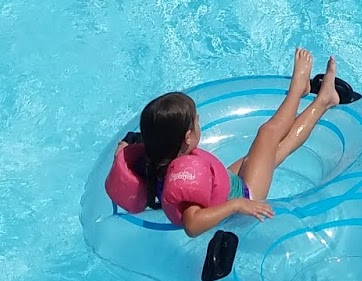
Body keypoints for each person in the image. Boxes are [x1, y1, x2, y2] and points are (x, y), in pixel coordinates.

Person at [107, 48, 343, 236]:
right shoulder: (182, 181)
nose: (199, 123)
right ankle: (298, 88)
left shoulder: (156, 155)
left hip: (226, 185)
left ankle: (325, 100)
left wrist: (125, 147)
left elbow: (130, 144)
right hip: (246, 195)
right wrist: (237, 205)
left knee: (279, 149)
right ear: (187, 137)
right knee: (268, 133)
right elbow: (192, 225)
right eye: (197, 122)